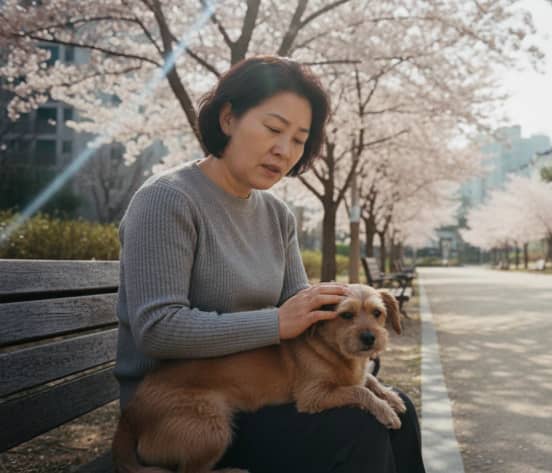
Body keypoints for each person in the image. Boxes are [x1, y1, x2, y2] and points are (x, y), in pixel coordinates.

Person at [114, 56, 425, 473]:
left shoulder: (277, 214)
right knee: (358, 428)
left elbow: (300, 307)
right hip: (186, 407)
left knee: (400, 411)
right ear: (228, 118)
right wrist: (275, 322)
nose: (284, 150)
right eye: (274, 129)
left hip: (264, 393)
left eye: (299, 139)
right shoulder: (167, 199)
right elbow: (158, 329)